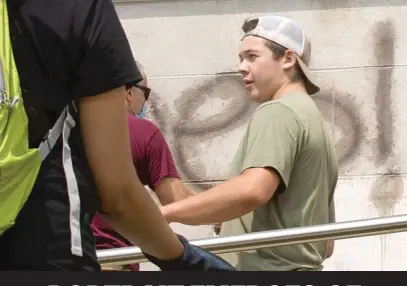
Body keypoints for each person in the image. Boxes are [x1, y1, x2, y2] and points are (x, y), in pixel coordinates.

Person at [0, 0, 234, 271]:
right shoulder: (78, 9)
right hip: (49, 248)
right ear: (126, 91)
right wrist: (186, 260)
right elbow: (118, 195)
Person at [160, 15, 338, 271]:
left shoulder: (279, 111)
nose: (242, 67)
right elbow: (327, 244)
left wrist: (165, 214)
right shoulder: (315, 122)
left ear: (288, 59)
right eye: (241, 59)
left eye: (252, 57)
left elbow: (253, 189)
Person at [92, 62, 195, 271]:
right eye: (145, 93)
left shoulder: (69, 128)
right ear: (129, 92)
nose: (145, 102)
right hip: (113, 262)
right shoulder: (143, 132)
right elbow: (175, 199)